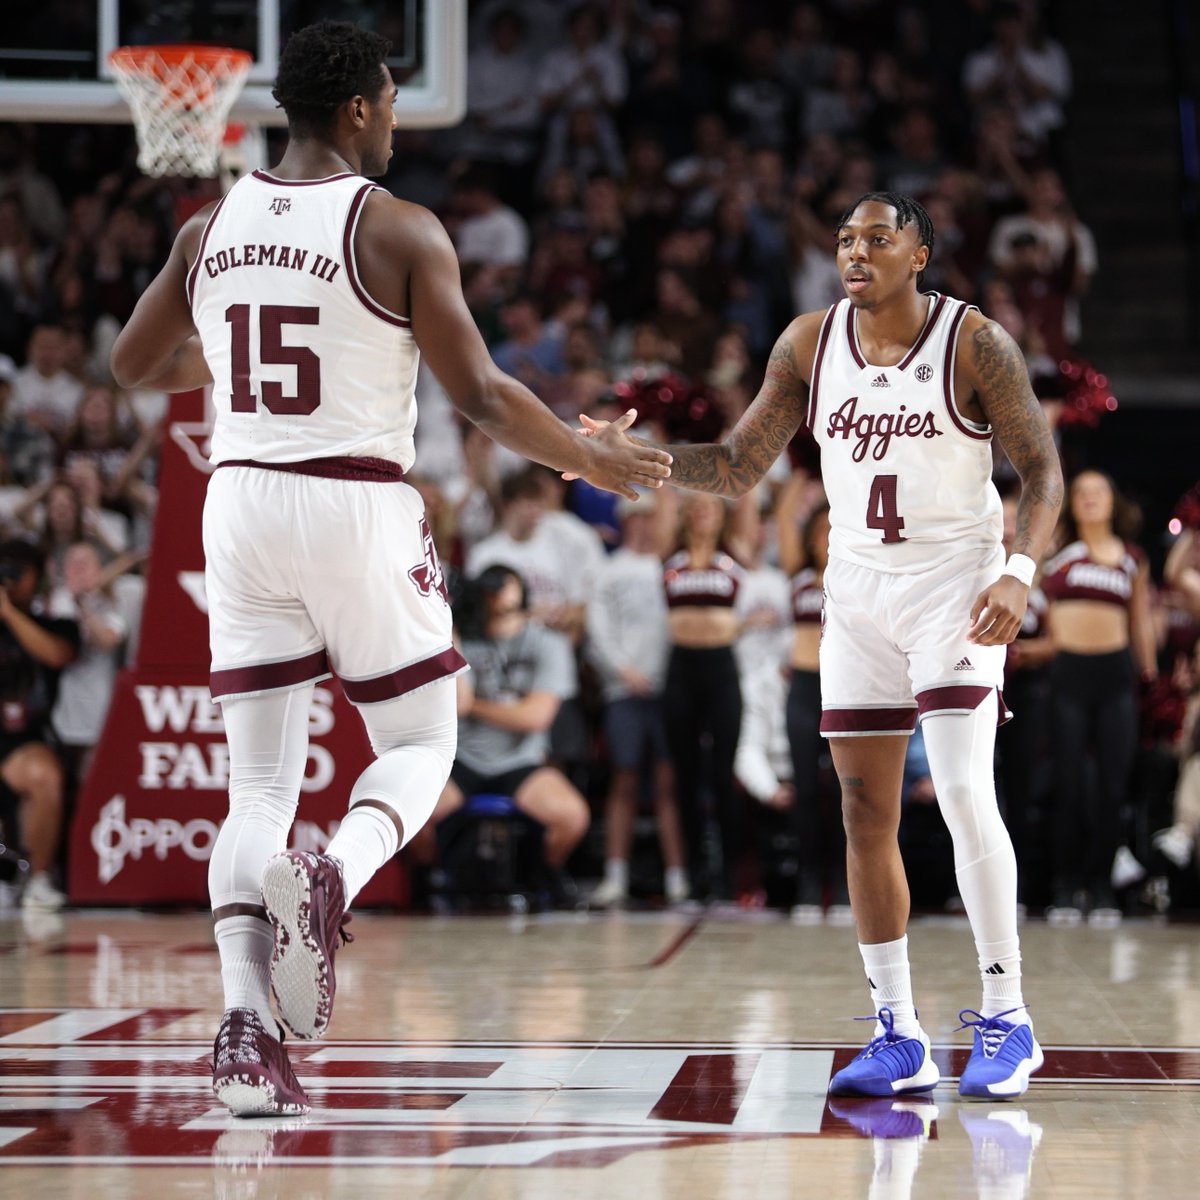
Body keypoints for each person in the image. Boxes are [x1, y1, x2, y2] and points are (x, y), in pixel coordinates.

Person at [108, 20, 671, 1118]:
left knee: (258, 786)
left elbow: (134, 365)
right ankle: (335, 873)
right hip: (354, 497)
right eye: (394, 103)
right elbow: (483, 398)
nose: (399, 120)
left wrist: (223, 350)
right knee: (420, 739)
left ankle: (241, 1038)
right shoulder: (401, 228)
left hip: (241, 501)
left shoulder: (206, 228)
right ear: (362, 107)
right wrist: (587, 450)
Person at [575, 191, 1063, 1099]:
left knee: (959, 788)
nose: (856, 251)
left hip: (956, 581)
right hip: (858, 589)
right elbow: (736, 463)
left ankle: (1010, 1018)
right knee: (863, 815)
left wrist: (1020, 571)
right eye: (845, 238)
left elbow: (1041, 468)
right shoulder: (807, 341)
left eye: (879, 238)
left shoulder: (972, 341)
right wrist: (635, 459)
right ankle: (899, 1032)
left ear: (920, 253)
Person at [425, 564, 589, 906]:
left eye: (508, 600)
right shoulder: (459, 635)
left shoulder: (547, 643)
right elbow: (458, 703)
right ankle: (431, 877)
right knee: (412, 815)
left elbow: (536, 716)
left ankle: (542, 871)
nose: (498, 600)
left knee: (572, 817)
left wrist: (479, 707)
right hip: (462, 757)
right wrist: (450, 630)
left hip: (520, 761)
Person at [1041, 470, 1157, 927]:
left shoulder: (1132, 558)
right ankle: (1066, 886)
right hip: (1067, 675)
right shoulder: (1056, 554)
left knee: (1113, 786)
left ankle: (1104, 885)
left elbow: (1141, 620)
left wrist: (1150, 676)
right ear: (1072, 503)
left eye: (1099, 492)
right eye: (1082, 493)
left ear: (1114, 502)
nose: (1090, 499)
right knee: (1068, 784)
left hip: (1115, 678)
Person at [0, 538, 78, 912]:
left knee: (44, 776)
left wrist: (8, 613)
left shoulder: (54, 624)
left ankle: (39, 879)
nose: (10, 580)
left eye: (17, 571)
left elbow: (57, 654)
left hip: (21, 738)